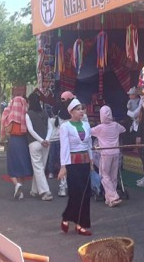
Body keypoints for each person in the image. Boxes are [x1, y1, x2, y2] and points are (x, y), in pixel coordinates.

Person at [59, 98, 93, 236]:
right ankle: (67, 217)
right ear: (71, 112)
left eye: (82, 109)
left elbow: (89, 144)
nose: (81, 111)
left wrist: (91, 161)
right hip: (72, 164)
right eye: (78, 109)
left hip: (85, 162)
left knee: (86, 193)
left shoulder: (86, 125)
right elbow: (64, 147)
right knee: (75, 193)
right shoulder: (65, 127)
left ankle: (81, 224)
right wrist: (63, 166)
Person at [91, 105, 126, 207]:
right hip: (116, 153)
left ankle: (114, 196)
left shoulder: (99, 128)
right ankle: (109, 199)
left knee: (104, 176)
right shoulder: (115, 125)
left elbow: (88, 131)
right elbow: (123, 129)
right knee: (113, 177)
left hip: (106, 154)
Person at [1, 96, 33, 199]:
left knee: (12, 166)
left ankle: (17, 185)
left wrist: (2, 139)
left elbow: (6, 130)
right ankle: (21, 189)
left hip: (13, 141)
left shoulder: (9, 116)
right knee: (22, 166)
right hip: (24, 141)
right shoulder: (26, 115)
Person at [26, 90, 53, 201]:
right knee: (41, 167)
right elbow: (50, 128)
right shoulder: (45, 113)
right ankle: (34, 190)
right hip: (46, 144)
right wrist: (46, 139)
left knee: (38, 168)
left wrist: (41, 140)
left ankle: (46, 192)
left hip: (34, 143)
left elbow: (30, 130)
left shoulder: (28, 114)